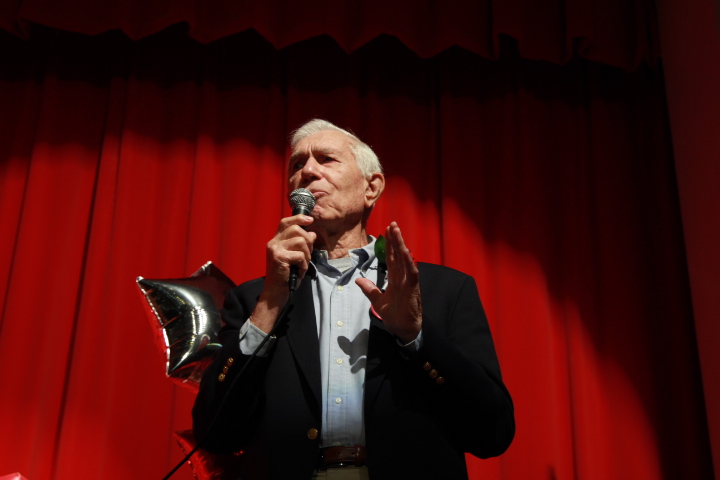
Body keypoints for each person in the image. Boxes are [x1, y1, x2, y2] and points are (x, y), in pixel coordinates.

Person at [192, 119, 515, 480]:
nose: (308, 171)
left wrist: (416, 338)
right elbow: (214, 434)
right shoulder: (255, 299)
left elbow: (493, 433)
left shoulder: (444, 291)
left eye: (326, 159)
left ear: (371, 188)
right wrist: (270, 304)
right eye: (297, 165)